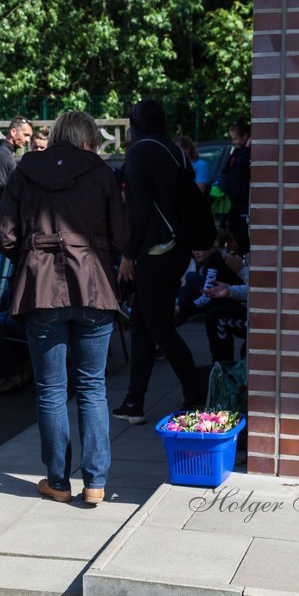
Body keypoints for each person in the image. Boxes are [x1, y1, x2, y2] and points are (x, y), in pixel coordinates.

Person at [0, 111, 127, 506]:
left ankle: (57, 479)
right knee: (92, 387)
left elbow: (5, 237)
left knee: (51, 390)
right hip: (93, 286)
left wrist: (31, 253)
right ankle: (95, 482)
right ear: (87, 138)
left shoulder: (23, 172)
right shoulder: (101, 173)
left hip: (39, 288)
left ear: (54, 136)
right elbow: (122, 234)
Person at [113, 98, 207, 423]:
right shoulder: (175, 150)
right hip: (177, 249)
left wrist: (128, 254)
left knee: (159, 328)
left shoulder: (139, 152)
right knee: (142, 325)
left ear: (135, 124)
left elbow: (139, 210)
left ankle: (195, 396)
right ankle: (133, 402)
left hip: (155, 252)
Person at [215, 119, 251, 254]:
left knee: (242, 234)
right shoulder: (236, 152)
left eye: (235, 139)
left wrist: (248, 148)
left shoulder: (247, 153)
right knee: (233, 232)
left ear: (245, 136)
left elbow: (243, 163)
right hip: (233, 201)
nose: (233, 142)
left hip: (241, 200)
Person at [0, 116, 32, 199]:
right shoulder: (2, 155)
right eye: (25, 135)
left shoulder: (6, 153)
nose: (28, 140)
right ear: (13, 132)